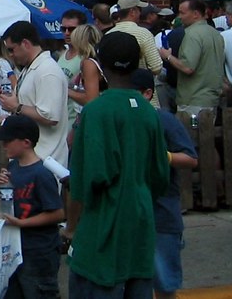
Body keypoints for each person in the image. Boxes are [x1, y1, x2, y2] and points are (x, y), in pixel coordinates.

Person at [68, 32, 170, 298]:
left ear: (101, 64)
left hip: (103, 221)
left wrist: (71, 226)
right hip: (140, 220)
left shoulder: (96, 111)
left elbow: (88, 178)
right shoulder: (149, 112)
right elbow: (160, 174)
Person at [128, 68, 198, 299]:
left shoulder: (164, 120)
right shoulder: (117, 119)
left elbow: (190, 158)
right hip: (128, 214)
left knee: (165, 283)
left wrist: (163, 155)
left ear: (147, 93)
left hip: (162, 214)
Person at [0, 114, 64, 299]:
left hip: (39, 251)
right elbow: (0, 205)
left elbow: (57, 213)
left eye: (8, 140)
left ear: (26, 142)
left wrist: (22, 223)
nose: (4, 145)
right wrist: (0, 187)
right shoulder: (12, 167)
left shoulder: (41, 173)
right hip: (14, 249)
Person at [0, 21, 70, 167]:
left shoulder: (47, 71)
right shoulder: (30, 68)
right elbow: (29, 104)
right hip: (31, 159)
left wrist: (16, 107)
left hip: (46, 160)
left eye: (12, 49)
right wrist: (10, 104)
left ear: (25, 43)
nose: (10, 55)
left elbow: (50, 116)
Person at [161, 0, 226, 118]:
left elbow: (188, 67)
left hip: (193, 100)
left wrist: (168, 56)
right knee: (207, 136)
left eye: (182, 13)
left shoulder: (192, 34)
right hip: (211, 97)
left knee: (192, 136)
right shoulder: (215, 33)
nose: (179, 17)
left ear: (195, 14)